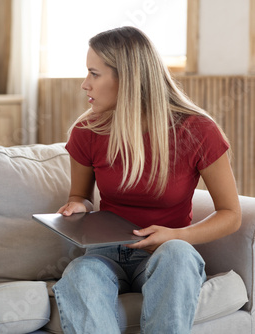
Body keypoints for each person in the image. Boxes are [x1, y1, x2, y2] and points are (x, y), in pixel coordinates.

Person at [52, 26, 241, 333]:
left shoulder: (197, 130)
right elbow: (81, 196)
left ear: (126, 77)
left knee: (178, 257)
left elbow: (231, 215)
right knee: (80, 274)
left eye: (94, 74)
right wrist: (77, 206)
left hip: (166, 251)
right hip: (105, 252)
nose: (85, 85)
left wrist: (177, 236)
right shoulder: (88, 131)